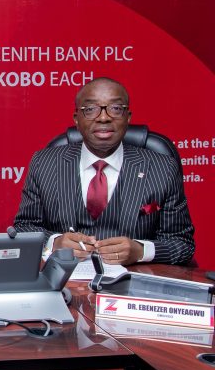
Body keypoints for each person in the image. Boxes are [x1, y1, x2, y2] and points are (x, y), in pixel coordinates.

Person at [13, 77, 194, 265]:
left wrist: (141, 250)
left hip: (134, 281)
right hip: (65, 282)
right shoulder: (44, 163)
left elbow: (182, 243)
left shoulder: (162, 168)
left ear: (128, 117)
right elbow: (24, 228)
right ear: (76, 118)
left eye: (115, 108)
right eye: (90, 109)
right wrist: (55, 242)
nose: (103, 117)